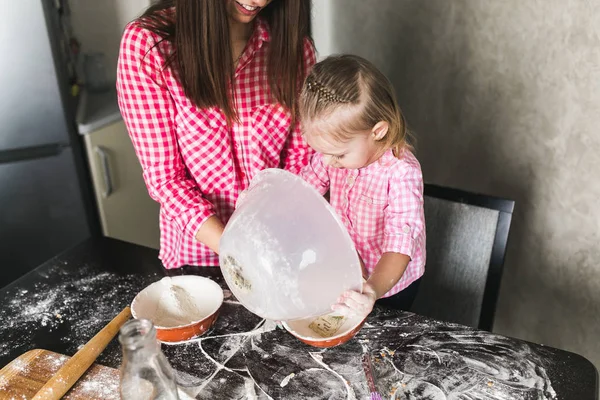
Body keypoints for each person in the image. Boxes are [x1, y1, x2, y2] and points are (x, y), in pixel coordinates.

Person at [116, 0, 316, 269]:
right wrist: (240, 255)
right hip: (200, 260)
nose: (259, 0)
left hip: (277, 247)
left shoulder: (292, 47)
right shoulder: (150, 45)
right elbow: (167, 179)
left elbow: (299, 158)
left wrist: (273, 240)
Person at [299, 54, 426, 316]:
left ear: (378, 131)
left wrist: (371, 290)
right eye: (320, 152)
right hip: (347, 267)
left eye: (338, 155)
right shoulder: (336, 152)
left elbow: (399, 247)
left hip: (390, 285)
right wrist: (267, 198)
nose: (327, 162)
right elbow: (302, 189)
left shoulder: (401, 173)